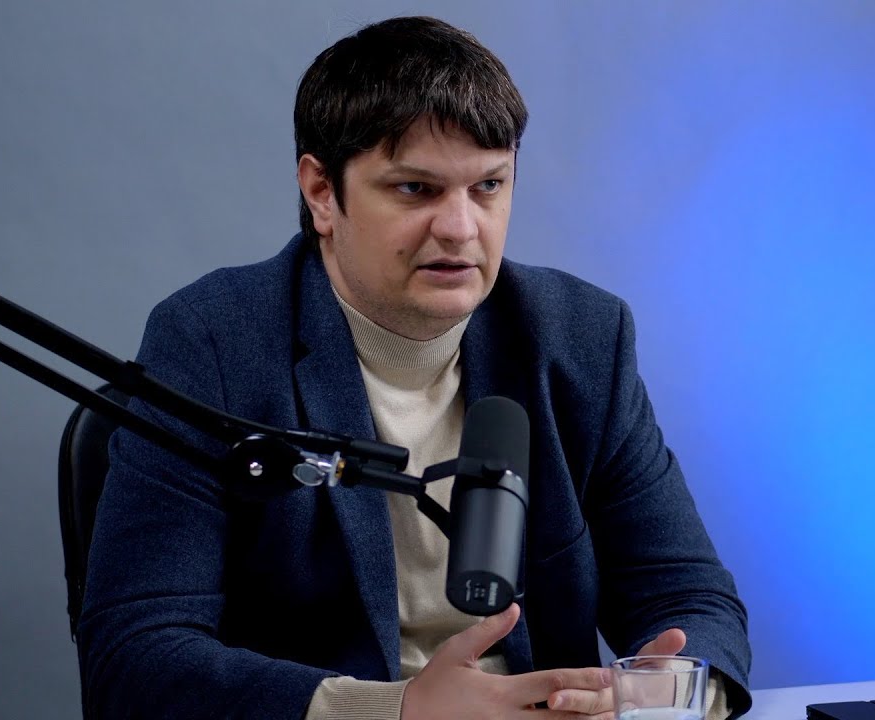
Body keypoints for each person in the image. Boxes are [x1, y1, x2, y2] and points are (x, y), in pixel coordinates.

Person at [79, 15, 751, 720]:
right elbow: (134, 657)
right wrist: (394, 711)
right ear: (321, 193)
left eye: (488, 186)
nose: (461, 228)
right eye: (414, 189)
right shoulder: (213, 341)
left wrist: (665, 698)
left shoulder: (581, 337)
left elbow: (691, 596)